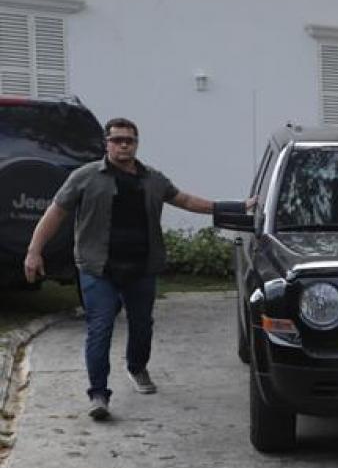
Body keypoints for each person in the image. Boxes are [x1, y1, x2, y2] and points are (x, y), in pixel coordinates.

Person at [23, 117, 252, 421]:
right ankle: (99, 395)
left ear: (136, 144)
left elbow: (184, 200)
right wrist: (34, 251)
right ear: (106, 143)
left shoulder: (152, 179)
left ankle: (136, 366)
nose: (123, 145)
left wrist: (234, 207)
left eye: (129, 140)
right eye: (117, 140)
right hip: (97, 267)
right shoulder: (85, 177)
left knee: (142, 325)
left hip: (141, 268)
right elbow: (56, 212)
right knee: (100, 328)